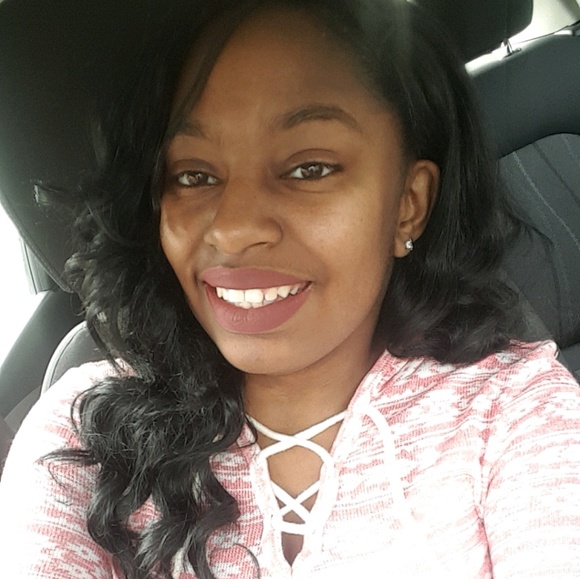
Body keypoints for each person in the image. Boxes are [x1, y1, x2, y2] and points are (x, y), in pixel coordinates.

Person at [1, 0, 579, 577]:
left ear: (409, 203)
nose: (233, 229)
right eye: (194, 175)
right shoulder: (84, 437)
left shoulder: (514, 413)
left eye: (309, 168)